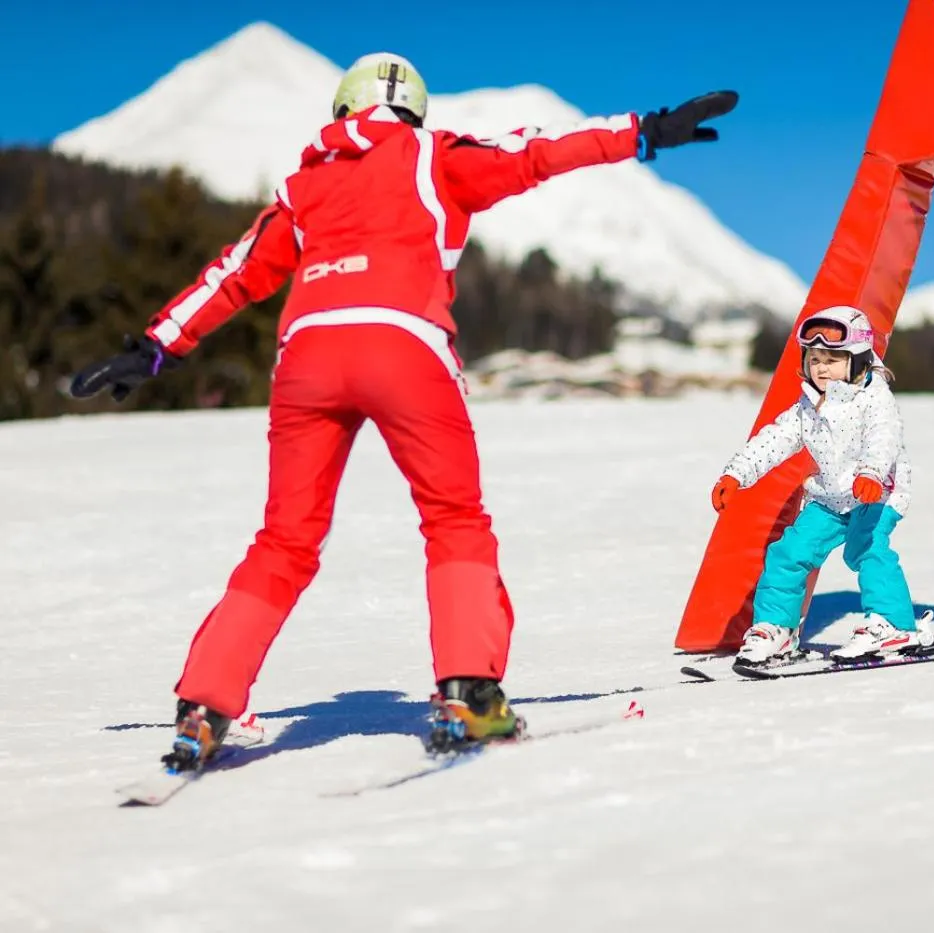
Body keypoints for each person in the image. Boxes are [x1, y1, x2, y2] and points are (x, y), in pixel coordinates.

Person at [68, 51, 738, 770]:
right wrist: (642, 131)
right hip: (404, 346)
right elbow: (536, 153)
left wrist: (156, 344)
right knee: (454, 519)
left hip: (308, 360)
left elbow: (237, 272)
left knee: (285, 541)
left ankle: (204, 704)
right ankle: (468, 692)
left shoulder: (306, 185)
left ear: (343, 112)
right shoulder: (434, 155)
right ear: (414, 110)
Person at [710, 306, 934, 666]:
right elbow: (773, 440)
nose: (821, 367)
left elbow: (884, 438)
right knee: (788, 553)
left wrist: (870, 472)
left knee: (865, 550)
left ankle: (894, 626)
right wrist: (736, 474)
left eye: (833, 359)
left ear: (857, 359)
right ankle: (777, 630)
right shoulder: (807, 407)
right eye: (815, 358)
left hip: (877, 493)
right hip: (830, 498)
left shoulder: (874, 398)